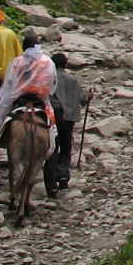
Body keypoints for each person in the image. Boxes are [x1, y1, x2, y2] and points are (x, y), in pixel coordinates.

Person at [0, 31, 56, 149]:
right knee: (52, 124)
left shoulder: (17, 61)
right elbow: (53, 81)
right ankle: (51, 147)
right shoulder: (48, 61)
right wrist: (46, 93)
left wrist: (5, 95)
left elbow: (9, 82)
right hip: (40, 98)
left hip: (19, 96)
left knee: (1, 114)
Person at [47, 52, 91, 193]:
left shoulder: (50, 79)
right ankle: (63, 176)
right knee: (66, 147)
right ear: (65, 64)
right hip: (68, 118)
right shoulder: (72, 79)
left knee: (53, 146)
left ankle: (52, 176)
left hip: (53, 117)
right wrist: (89, 96)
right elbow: (82, 100)